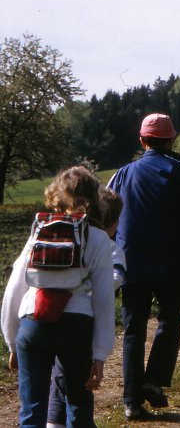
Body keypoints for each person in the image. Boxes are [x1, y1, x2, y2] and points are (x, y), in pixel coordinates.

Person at [107, 113, 180, 420]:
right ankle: (153, 380)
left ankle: (131, 402)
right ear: (172, 140)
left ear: (142, 140)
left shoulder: (122, 174)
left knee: (133, 330)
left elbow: (106, 220)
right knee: (171, 322)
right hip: (172, 265)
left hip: (130, 264)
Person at [2, 167, 115, 428]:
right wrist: (100, 354)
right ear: (93, 198)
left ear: (55, 195)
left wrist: (11, 341)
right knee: (78, 402)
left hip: (32, 323)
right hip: (76, 327)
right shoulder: (96, 238)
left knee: (32, 409)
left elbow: (14, 287)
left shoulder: (39, 230)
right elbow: (104, 300)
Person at [46, 186, 125, 428]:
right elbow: (114, 280)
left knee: (59, 379)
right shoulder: (110, 247)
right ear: (110, 221)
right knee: (79, 387)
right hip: (83, 322)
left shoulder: (68, 237)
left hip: (52, 315)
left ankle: (53, 423)